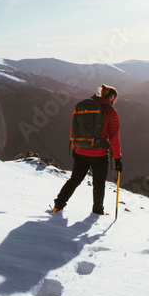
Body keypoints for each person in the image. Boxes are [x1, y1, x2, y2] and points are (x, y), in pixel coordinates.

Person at [51, 84, 122, 215]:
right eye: (116, 98)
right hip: (99, 155)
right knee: (99, 184)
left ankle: (58, 205)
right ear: (112, 97)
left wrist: (75, 146)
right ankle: (97, 212)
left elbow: (74, 129)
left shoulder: (85, 107)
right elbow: (114, 137)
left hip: (80, 151)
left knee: (74, 180)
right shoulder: (111, 112)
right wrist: (117, 158)